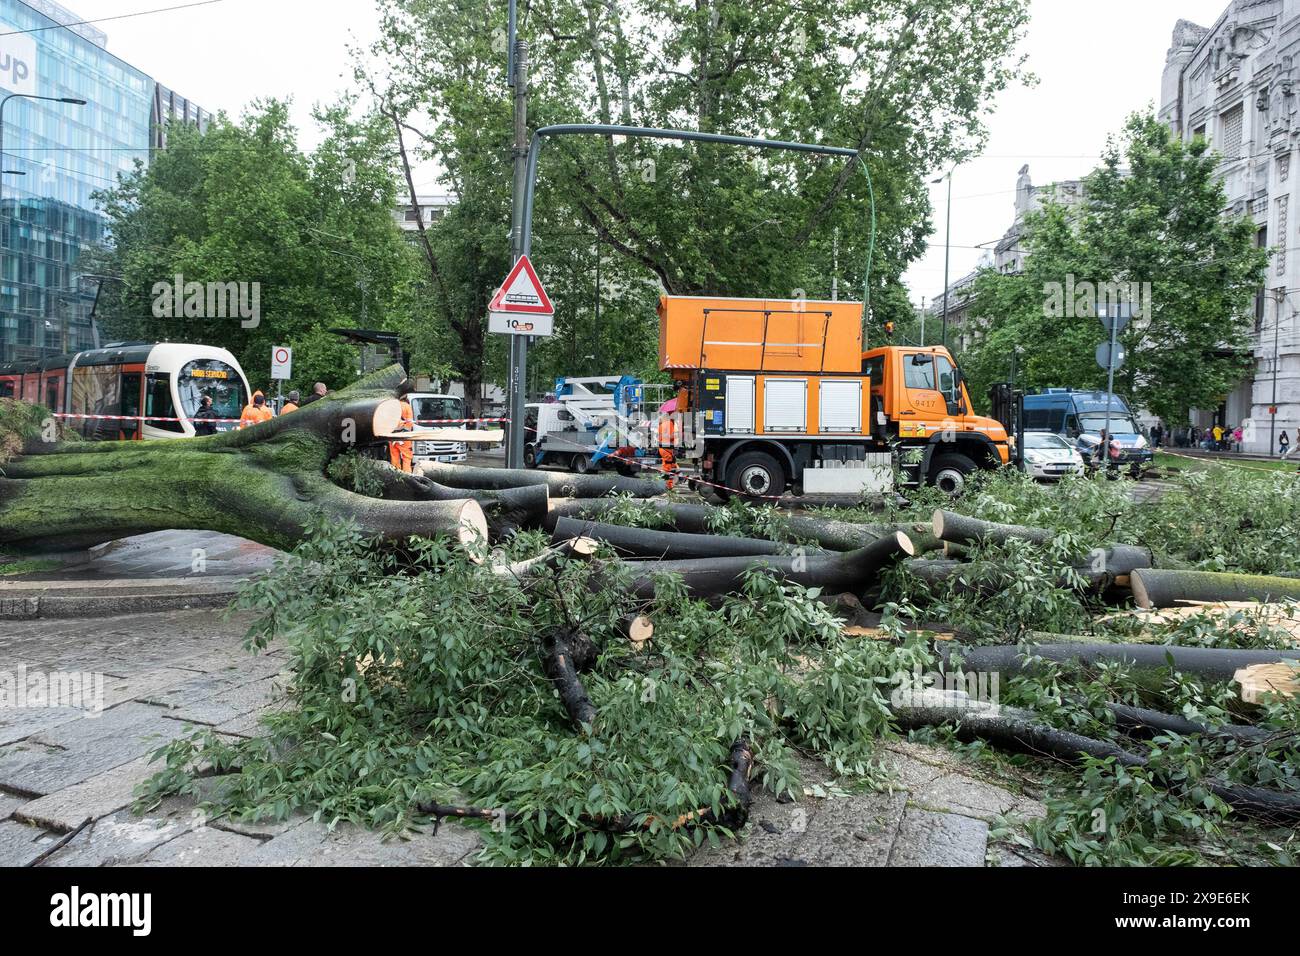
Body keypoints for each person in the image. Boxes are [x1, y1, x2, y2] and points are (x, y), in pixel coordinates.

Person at [388, 390, 415, 473]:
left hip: (392, 436)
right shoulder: (407, 406)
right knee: (407, 458)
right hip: (404, 437)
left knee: (394, 457)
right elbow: (409, 423)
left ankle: (396, 476)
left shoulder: (391, 407)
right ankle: (407, 477)